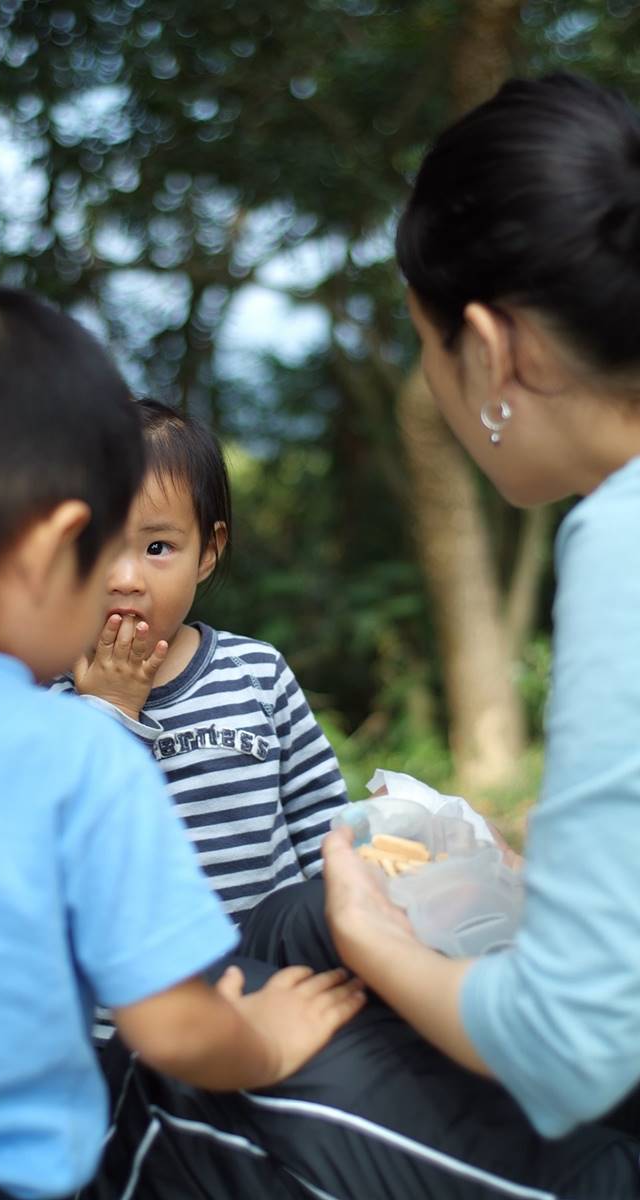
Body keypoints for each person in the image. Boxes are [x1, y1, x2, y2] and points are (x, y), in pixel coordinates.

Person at [99, 73, 640, 1198]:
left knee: (262, 1044)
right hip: (155, 999)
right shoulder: (53, 704)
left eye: (425, 346)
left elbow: (571, 1043)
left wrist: (376, 938)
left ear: (490, 347)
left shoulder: (619, 534)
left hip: (545, 1066)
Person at [0, 285, 366, 1200]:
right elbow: (174, 1028)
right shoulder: (75, 748)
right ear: (55, 547)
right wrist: (267, 1040)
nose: (120, 586)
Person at [50, 398, 348, 923]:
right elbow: (61, 848)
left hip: (275, 958)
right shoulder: (47, 698)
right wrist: (109, 709)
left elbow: (321, 818)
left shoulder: (257, 674)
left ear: (207, 552)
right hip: (146, 971)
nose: (126, 579)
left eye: (158, 548)